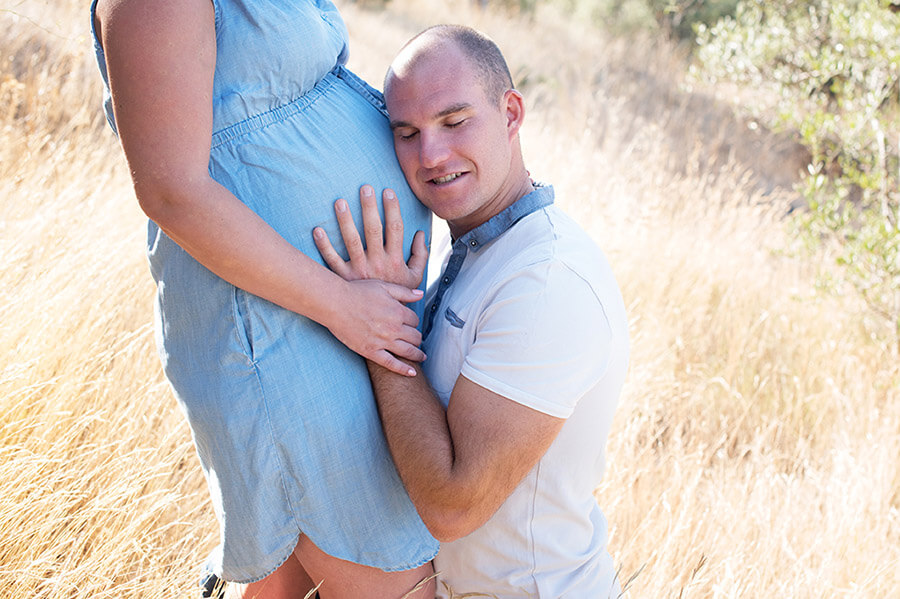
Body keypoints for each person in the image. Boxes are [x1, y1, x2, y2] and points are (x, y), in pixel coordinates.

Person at [89, 1, 440, 597]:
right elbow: (172, 192)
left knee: (288, 581)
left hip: (329, 316)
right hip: (276, 320)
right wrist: (341, 304)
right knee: (390, 577)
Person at [314, 25, 630, 598]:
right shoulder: (453, 243)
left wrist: (381, 329)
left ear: (511, 113)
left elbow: (453, 506)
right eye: (406, 133)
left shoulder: (547, 280)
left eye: (455, 122)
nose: (430, 155)